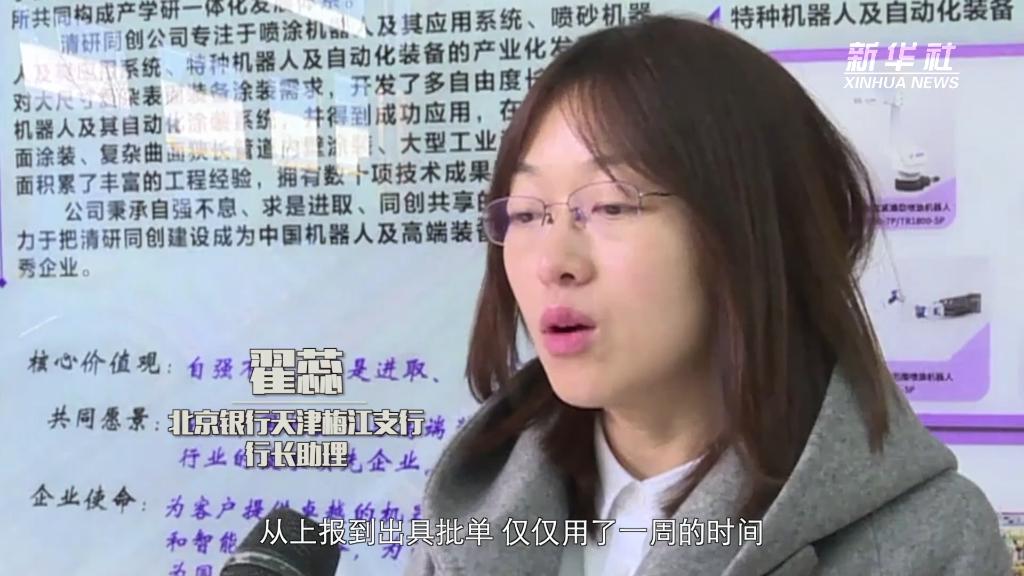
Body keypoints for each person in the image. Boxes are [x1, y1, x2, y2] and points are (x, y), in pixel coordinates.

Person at [404, 14, 1010, 576]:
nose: (552, 262)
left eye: (611, 205)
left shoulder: (930, 542)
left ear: (753, 228)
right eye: (527, 212)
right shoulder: (472, 511)